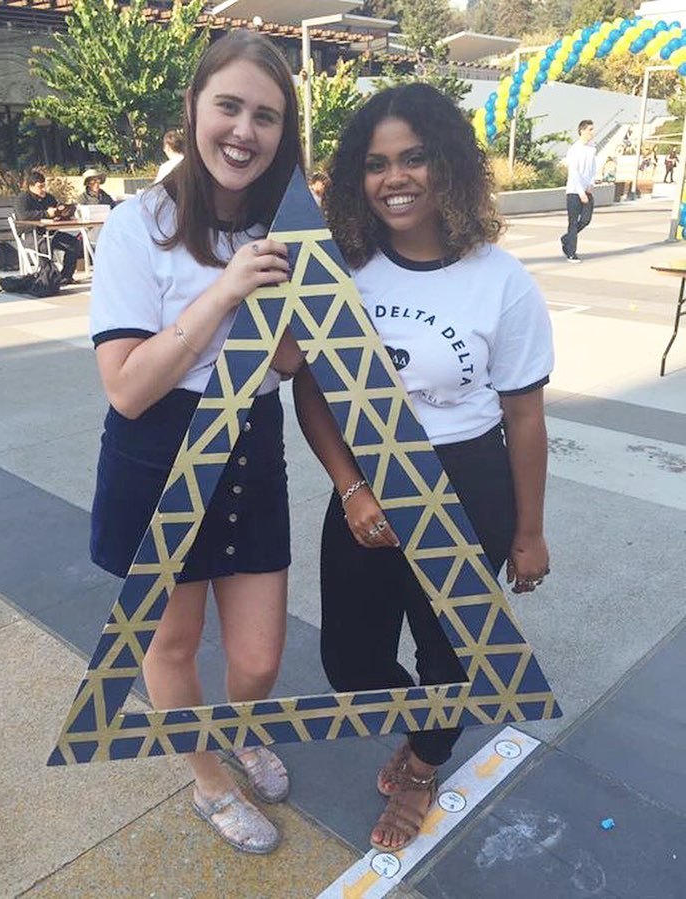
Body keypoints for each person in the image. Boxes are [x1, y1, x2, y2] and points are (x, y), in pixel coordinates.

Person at [293, 83, 553, 852]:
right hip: (367, 482)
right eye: (375, 164)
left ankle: (424, 762)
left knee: (446, 649)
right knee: (350, 659)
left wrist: (529, 532)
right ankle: (428, 720)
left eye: (412, 158)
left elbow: (524, 416)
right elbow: (310, 390)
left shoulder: (500, 279)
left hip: (468, 481)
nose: (393, 178)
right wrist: (349, 486)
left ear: (447, 164)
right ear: (356, 177)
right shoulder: (344, 271)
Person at [89, 31, 304, 855]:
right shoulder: (134, 225)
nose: (244, 131)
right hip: (159, 452)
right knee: (171, 644)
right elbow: (126, 386)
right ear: (193, 108)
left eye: (266, 116)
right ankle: (208, 781)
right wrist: (223, 294)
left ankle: (241, 728)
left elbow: (288, 363)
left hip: (250, 445)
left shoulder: (281, 228)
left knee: (258, 655)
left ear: (283, 132)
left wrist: (304, 308)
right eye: (229, 107)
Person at [14, 170, 81, 284]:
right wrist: (46, 213)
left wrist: (65, 213)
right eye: (40, 186)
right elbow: (23, 216)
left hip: (50, 232)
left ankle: (66, 276)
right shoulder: (23, 198)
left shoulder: (48, 197)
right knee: (45, 247)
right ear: (31, 186)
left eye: (44, 186)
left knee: (74, 243)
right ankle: (47, 278)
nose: (43, 189)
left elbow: (57, 210)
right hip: (30, 233)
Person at [560, 119, 596, 263]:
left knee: (586, 220)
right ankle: (571, 253)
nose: (592, 132)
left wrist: (591, 183)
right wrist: (580, 192)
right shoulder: (574, 150)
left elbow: (593, 168)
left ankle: (566, 238)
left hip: (587, 190)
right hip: (574, 191)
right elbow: (574, 172)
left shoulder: (592, 149)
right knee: (573, 223)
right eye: (590, 129)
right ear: (582, 131)